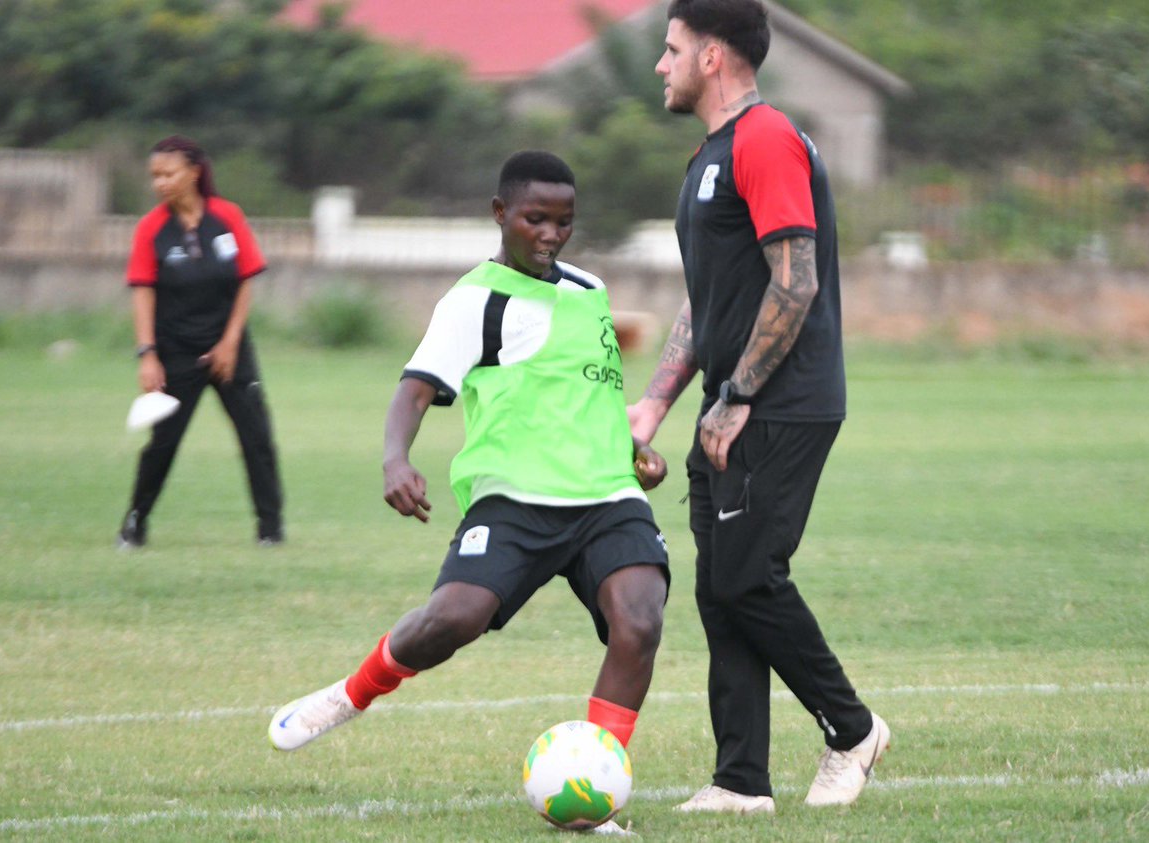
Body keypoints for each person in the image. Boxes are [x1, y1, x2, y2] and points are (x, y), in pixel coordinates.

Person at [267, 152, 670, 794]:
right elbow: (415, 391)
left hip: (606, 497)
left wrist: (631, 453)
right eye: (536, 219)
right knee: (452, 620)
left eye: (563, 221)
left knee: (640, 620)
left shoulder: (590, 292)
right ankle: (350, 694)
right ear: (500, 213)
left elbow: (589, 395)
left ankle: (595, 783)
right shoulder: (474, 303)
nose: (550, 234)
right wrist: (396, 459)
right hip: (514, 498)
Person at [625, 0, 890, 813]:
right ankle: (741, 781)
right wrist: (658, 402)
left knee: (745, 577)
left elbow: (796, 279)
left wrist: (739, 395)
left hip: (780, 403)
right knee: (719, 587)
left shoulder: (767, 137)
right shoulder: (713, 154)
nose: (662, 66)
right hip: (727, 403)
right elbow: (710, 302)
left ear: (713, 57)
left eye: (672, 51)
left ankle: (852, 728)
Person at [117, 135, 284, 548]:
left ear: (194, 172)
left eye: (168, 173)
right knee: (164, 442)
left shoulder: (227, 217)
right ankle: (135, 524)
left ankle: (270, 530)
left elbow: (246, 281)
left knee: (257, 437)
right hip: (175, 351)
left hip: (231, 350)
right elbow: (142, 292)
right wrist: (148, 355)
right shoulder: (151, 229)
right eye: (155, 175)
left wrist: (229, 343)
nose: (160, 182)